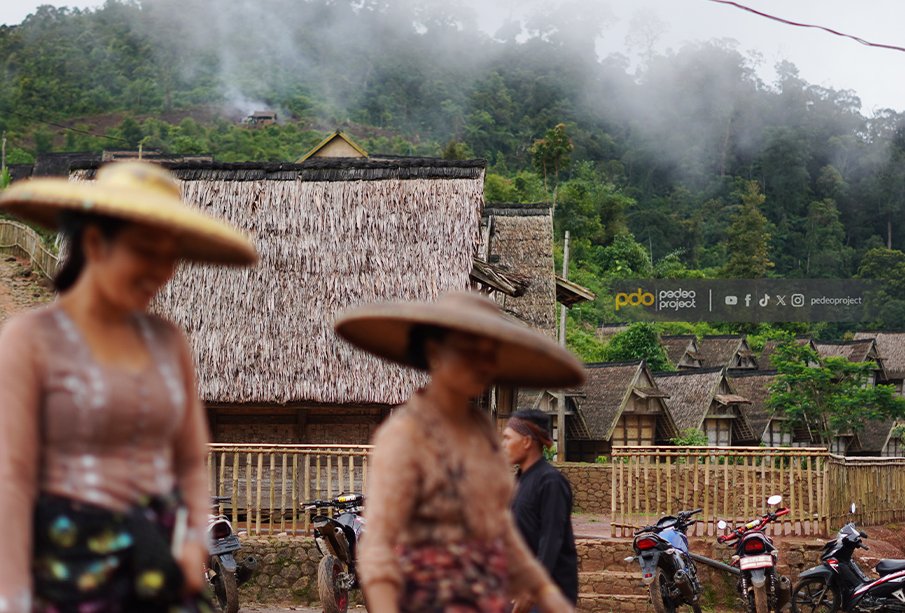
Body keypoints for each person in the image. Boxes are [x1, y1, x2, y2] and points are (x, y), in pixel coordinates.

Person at [0, 161, 257, 611]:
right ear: (96, 242)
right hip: (61, 564)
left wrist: (195, 543)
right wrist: (13, 595)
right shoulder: (31, 341)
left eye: (170, 256)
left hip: (156, 563)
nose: (163, 272)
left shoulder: (167, 342)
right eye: (146, 252)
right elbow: (13, 477)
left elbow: (190, 463)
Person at [334, 291, 586, 613]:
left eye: (488, 354)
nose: (482, 365)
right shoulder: (406, 434)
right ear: (435, 353)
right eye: (469, 352)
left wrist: (542, 589)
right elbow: (378, 543)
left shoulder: (482, 437)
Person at [502, 409, 579, 613]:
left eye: (508, 438)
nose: (504, 445)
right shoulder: (520, 482)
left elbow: (551, 539)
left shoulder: (550, 482)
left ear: (527, 441)